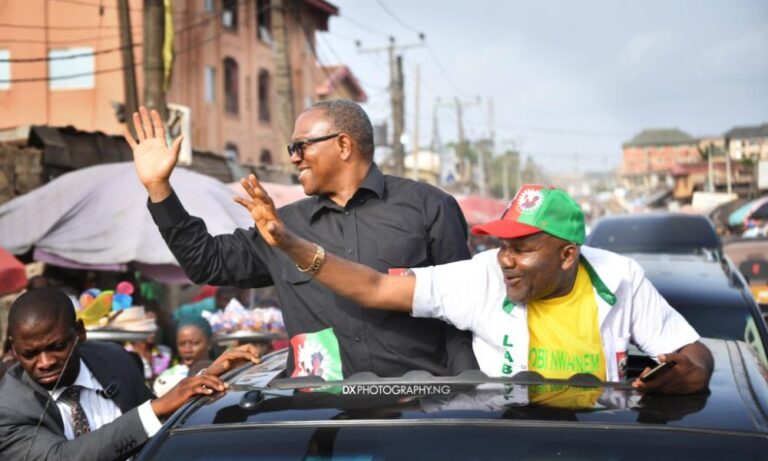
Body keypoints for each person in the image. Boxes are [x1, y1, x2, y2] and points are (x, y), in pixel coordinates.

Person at [235, 180, 714, 395]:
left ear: (569, 255)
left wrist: (685, 376)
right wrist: (290, 244)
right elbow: (376, 289)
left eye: (523, 249)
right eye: (503, 245)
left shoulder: (620, 278)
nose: (506, 260)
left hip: (596, 443)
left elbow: (693, 355)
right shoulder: (481, 274)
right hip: (501, 442)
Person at [125, 100, 478, 379]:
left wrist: (467, 401)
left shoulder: (429, 207)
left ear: (343, 145)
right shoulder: (283, 226)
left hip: (417, 409)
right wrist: (159, 189)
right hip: (318, 417)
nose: (293, 158)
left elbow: (461, 313)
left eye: (301, 146)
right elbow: (206, 262)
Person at [0, 287, 260, 461]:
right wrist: (155, 407)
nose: (44, 362)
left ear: (79, 333)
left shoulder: (114, 359)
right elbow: (63, 457)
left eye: (57, 347)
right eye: (29, 354)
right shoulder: (8, 408)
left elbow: (156, 426)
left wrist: (203, 378)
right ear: (13, 349)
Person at [153, 317, 215, 396]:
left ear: (209, 343)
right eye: (182, 344)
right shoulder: (166, 379)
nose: (187, 349)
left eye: (195, 343)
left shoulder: (223, 371)